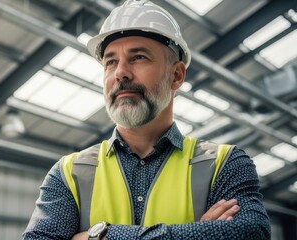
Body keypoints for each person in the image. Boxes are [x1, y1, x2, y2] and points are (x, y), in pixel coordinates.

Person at [22, 0, 270, 239]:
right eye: (110, 62)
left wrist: (102, 236)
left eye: (138, 57)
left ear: (176, 75)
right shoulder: (69, 173)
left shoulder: (224, 164)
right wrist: (197, 233)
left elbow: (251, 233)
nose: (120, 73)